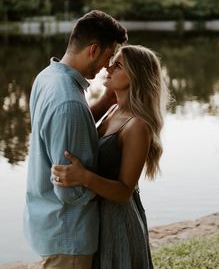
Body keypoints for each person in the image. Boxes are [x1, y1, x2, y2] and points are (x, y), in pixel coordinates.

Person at [24, 10, 128, 269]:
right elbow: (71, 191)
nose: (107, 65)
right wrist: (106, 186)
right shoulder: (69, 102)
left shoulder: (47, 78)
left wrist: (104, 103)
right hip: (69, 232)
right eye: (108, 55)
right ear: (93, 50)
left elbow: (68, 131)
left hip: (45, 220)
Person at [52, 45, 169, 269]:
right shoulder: (115, 110)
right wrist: (106, 100)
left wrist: (83, 177)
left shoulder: (137, 126)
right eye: (111, 62)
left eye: (118, 65)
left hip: (118, 222)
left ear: (135, 76)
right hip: (97, 216)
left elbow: (124, 191)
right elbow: (85, 128)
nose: (108, 68)